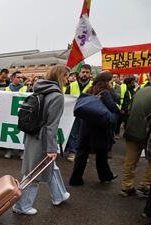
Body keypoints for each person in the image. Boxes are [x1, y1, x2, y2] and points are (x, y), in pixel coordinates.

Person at [12, 65, 70, 215]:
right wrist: (52, 148)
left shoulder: (40, 88)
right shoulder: (57, 96)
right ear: (59, 77)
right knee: (35, 172)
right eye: (65, 76)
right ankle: (21, 206)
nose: (67, 79)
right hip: (43, 138)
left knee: (48, 167)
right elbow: (52, 125)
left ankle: (59, 195)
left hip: (32, 135)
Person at [69, 72, 119, 186]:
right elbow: (113, 108)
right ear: (106, 81)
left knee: (82, 153)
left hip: (86, 127)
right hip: (99, 129)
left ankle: (75, 179)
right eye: (110, 81)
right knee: (101, 155)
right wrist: (117, 110)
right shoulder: (105, 92)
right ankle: (105, 176)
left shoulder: (89, 90)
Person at [119, 85, 151, 197]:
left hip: (132, 130)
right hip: (147, 134)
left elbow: (129, 108)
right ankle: (144, 186)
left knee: (130, 160)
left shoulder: (140, 91)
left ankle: (126, 186)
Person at [65, 64, 93, 162]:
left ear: (90, 74)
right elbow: (67, 98)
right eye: (83, 72)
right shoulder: (72, 85)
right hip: (74, 113)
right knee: (73, 133)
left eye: (87, 72)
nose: (84, 74)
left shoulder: (93, 86)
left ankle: (84, 154)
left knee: (86, 134)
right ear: (79, 73)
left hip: (88, 114)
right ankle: (72, 152)